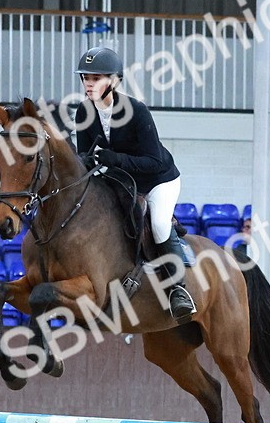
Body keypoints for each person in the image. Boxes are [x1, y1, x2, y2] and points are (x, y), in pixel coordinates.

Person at [71, 46, 195, 323]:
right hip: (123, 182)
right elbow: (84, 158)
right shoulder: (83, 112)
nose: (89, 84)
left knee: (160, 225)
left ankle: (178, 290)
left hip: (158, 180)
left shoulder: (136, 111)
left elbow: (153, 161)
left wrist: (115, 158)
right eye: (86, 78)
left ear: (113, 81)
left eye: (96, 78)